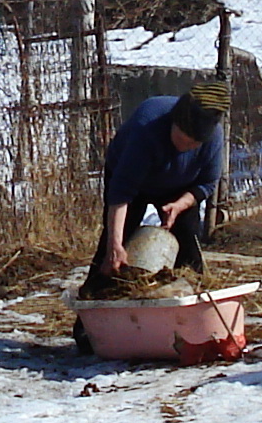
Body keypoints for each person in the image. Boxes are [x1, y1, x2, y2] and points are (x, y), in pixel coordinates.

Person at [84, 81, 228, 299]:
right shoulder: (147, 127)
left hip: (179, 189)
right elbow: (121, 193)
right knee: (114, 252)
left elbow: (206, 184)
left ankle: (187, 316)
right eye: (182, 139)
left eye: (193, 145)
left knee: (189, 246)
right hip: (133, 184)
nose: (185, 147)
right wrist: (115, 245)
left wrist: (179, 206)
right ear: (174, 124)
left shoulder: (213, 138)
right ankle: (90, 319)